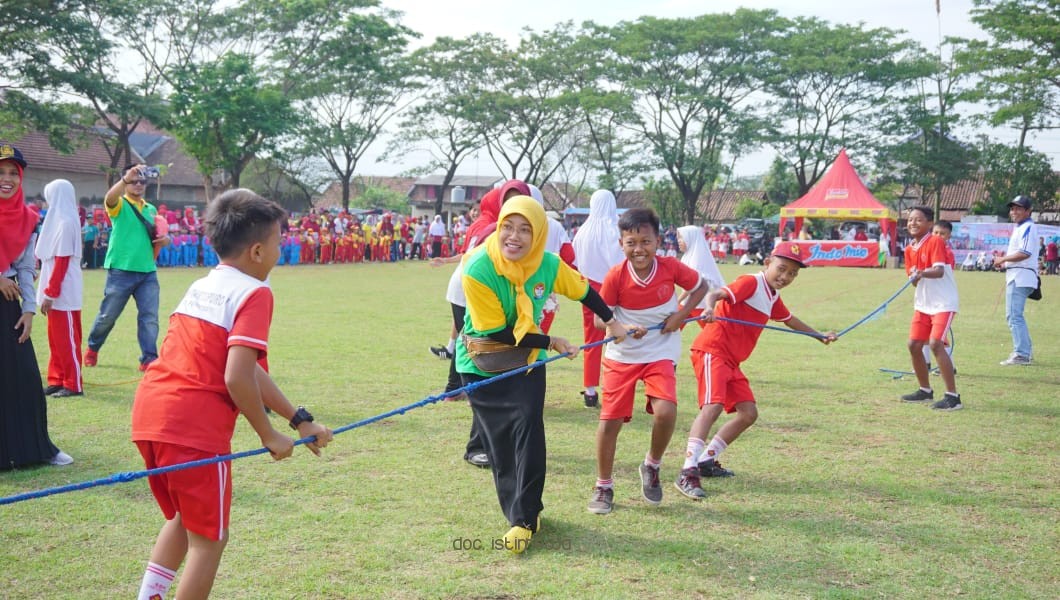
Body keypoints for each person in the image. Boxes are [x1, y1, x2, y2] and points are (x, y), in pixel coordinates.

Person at [131, 189, 334, 599]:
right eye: (279, 241)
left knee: (184, 521)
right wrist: (268, 434)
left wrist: (298, 418)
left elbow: (251, 372)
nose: (283, 248)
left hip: (151, 417)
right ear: (257, 251)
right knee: (209, 540)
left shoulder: (203, 284)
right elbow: (237, 376)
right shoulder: (255, 292)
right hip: (193, 431)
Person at [457, 196, 627, 553]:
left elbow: (584, 291)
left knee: (530, 434)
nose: (514, 237)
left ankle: (525, 518)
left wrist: (611, 321)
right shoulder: (477, 269)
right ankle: (518, 512)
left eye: (524, 229)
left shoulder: (548, 264)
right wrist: (553, 341)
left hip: (527, 361)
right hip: (482, 365)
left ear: (537, 235)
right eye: (508, 227)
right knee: (502, 446)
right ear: (498, 227)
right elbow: (497, 333)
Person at [674, 242, 835, 499]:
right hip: (712, 351)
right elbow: (716, 294)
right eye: (781, 269)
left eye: (792, 273)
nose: (784, 277)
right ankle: (687, 470)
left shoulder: (773, 297)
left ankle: (706, 460)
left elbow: (789, 319)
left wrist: (819, 335)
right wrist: (708, 309)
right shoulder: (751, 282)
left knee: (748, 413)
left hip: (732, 361)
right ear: (768, 262)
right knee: (712, 407)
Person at [588, 208, 707, 515]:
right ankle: (603, 485)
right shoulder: (615, 276)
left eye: (645, 241)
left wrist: (681, 316)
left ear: (658, 241)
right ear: (621, 243)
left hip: (661, 349)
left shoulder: (670, 267)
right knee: (610, 421)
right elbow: (602, 321)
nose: (639, 249)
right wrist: (622, 328)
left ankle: (651, 465)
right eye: (631, 242)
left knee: (666, 411)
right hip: (622, 354)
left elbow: (701, 287)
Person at [0, 143, 73, 468]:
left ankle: (36, 449)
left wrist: (29, 310)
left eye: (13, 173)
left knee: (26, 377)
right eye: (1, 172)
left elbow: (27, 267)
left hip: (11, 304)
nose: (7, 179)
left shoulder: (27, 217)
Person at [84, 164, 170, 370]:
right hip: (121, 270)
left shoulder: (150, 209)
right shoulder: (120, 205)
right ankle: (93, 348)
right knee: (108, 315)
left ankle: (149, 358)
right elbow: (109, 199)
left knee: (149, 317)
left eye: (142, 181)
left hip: (147, 271)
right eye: (134, 181)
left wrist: (165, 241)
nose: (138, 185)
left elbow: (156, 237)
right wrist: (124, 179)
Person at [899, 206, 962, 411]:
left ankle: (953, 397)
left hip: (943, 303)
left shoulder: (935, 241)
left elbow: (939, 271)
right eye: (910, 220)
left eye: (918, 220)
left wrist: (921, 273)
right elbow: (915, 282)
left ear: (929, 223)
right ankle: (924, 390)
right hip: (923, 304)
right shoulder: (909, 249)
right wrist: (915, 277)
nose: (912, 223)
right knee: (914, 345)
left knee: (935, 344)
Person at [571, 189, 625, 408]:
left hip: (587, 289)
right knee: (621, 335)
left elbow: (573, 262)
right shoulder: (616, 231)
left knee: (592, 340)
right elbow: (622, 264)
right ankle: (619, 386)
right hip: (613, 288)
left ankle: (591, 391)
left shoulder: (581, 232)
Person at [35, 179, 85, 397]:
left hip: (62, 289)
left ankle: (73, 383)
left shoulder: (65, 223)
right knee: (55, 337)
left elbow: (62, 261)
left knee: (67, 339)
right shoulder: (58, 221)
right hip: (54, 286)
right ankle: (58, 378)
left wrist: (50, 293)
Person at [993, 195, 1039, 366]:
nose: (1014, 211)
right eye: (1012, 208)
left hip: (1020, 276)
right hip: (1018, 274)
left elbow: (1025, 253)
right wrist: (1004, 262)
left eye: (1019, 208)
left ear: (1028, 211)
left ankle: (1022, 353)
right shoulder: (1021, 227)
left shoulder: (1027, 227)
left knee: (1014, 316)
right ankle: (1024, 350)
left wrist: (1002, 260)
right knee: (1015, 315)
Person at [676, 225, 725, 328]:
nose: (679, 241)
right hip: (687, 303)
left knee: (711, 333)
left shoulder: (697, 259)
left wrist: (677, 300)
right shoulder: (687, 256)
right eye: (678, 238)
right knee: (670, 330)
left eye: (681, 238)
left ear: (690, 238)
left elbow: (692, 285)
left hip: (700, 304)